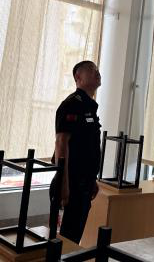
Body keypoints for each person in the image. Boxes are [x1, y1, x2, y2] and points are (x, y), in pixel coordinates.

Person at [50, 61, 102, 244]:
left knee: (73, 239)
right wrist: (63, 184)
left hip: (83, 183)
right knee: (64, 240)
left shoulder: (89, 106)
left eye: (98, 70)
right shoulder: (71, 104)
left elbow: (85, 147)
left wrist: (92, 179)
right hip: (70, 182)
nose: (98, 73)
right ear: (78, 77)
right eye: (92, 70)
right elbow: (61, 143)